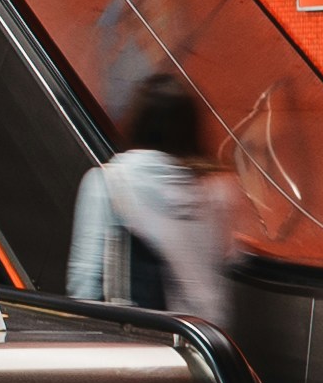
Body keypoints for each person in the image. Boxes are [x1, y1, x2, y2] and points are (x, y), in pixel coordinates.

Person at [66, 76, 231, 320]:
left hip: (136, 343)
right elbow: (225, 261)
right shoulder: (217, 190)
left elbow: (84, 282)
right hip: (202, 341)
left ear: (137, 122)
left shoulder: (109, 183)